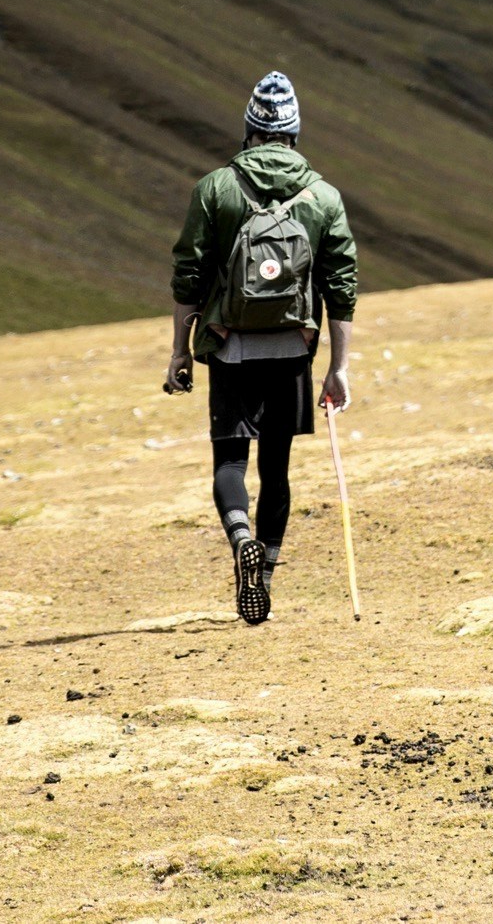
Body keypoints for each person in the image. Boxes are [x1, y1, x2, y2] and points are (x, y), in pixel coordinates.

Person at [162, 70, 356, 626]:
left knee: (229, 460)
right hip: (294, 348)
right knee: (277, 468)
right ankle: (264, 574)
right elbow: (341, 286)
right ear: (294, 133)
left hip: (229, 346)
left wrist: (179, 351)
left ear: (249, 130)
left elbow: (188, 277)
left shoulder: (216, 189)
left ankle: (239, 536)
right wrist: (338, 368)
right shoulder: (323, 196)